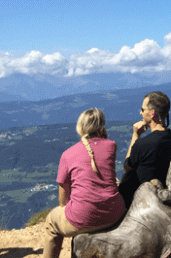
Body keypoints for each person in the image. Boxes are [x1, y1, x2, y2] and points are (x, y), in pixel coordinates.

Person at [43, 109, 125, 258]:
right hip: (115, 213)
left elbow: (63, 198)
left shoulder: (67, 155)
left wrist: (74, 208)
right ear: (101, 127)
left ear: (80, 127)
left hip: (83, 217)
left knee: (50, 223)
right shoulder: (111, 145)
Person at [118, 91, 171, 208]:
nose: (141, 113)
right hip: (168, 195)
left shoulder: (143, 144)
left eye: (143, 110)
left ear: (152, 114)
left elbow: (127, 166)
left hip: (144, 200)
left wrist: (135, 135)